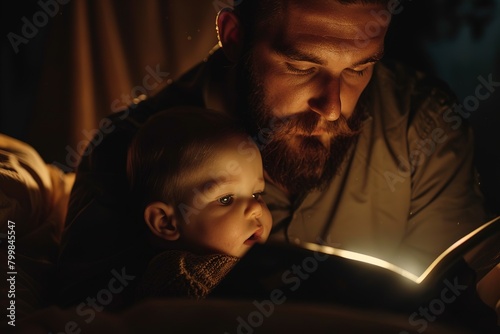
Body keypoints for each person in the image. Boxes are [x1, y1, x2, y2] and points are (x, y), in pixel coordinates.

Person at [57, 0, 495, 311]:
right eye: (302, 67)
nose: (334, 106)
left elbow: (466, 293)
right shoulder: (130, 151)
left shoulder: (423, 125)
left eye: (359, 68)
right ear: (234, 36)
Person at [126, 106, 272, 299]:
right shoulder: (183, 282)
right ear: (165, 222)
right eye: (226, 199)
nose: (255, 209)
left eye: (256, 194)